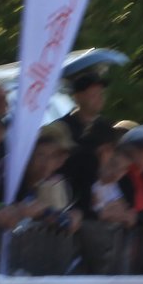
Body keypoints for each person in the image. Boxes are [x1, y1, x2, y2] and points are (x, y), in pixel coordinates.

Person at [57, 69, 115, 216]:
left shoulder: (105, 127)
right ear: (78, 97)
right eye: (94, 95)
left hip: (101, 201)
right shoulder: (62, 128)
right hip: (71, 201)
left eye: (101, 94)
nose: (99, 99)